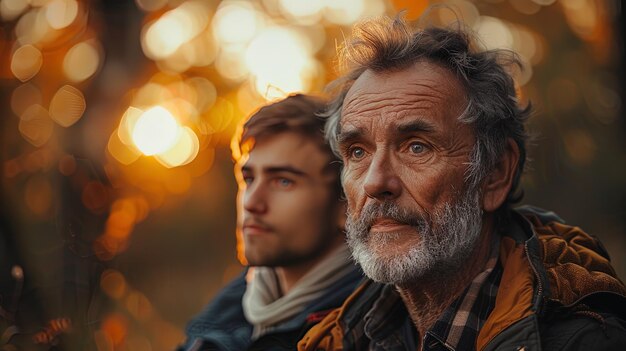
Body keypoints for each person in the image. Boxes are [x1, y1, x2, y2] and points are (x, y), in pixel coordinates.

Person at [298, 15, 626, 351]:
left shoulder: (586, 341)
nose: (375, 182)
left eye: (416, 147)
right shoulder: (335, 337)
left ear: (495, 174)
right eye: (357, 151)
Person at [178, 94, 362, 351]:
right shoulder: (221, 319)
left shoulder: (376, 327)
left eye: (283, 181)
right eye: (249, 179)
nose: (251, 202)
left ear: (345, 203)